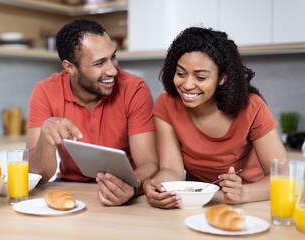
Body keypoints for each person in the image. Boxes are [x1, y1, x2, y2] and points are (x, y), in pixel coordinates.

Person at [144, 27, 287, 208]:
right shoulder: (167, 104)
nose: (187, 85)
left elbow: (281, 177)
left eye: (201, 77)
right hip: (197, 202)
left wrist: (243, 193)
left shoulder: (252, 107)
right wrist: (159, 186)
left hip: (252, 201)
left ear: (222, 77)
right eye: (180, 74)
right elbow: (171, 169)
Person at [26, 19, 158, 206]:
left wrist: (130, 187)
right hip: (70, 188)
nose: (112, 70)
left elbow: (149, 163)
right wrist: (45, 140)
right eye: (99, 63)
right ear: (69, 67)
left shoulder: (134, 89)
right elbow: (36, 177)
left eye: (113, 57)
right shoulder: (45, 91)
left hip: (127, 187)